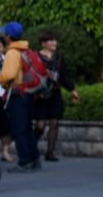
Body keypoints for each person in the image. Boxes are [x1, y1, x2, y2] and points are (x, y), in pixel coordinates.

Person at [0, 22, 46, 172]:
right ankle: (34, 158)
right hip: (29, 93)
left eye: (5, 34)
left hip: (18, 94)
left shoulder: (12, 52)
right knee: (27, 127)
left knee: (19, 129)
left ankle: (24, 161)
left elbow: (9, 75)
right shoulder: (26, 49)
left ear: (8, 36)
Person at [34, 31, 80, 162]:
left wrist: (72, 89)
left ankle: (50, 152)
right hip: (41, 94)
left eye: (55, 40)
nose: (54, 43)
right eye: (51, 41)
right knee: (40, 125)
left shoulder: (58, 57)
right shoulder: (37, 57)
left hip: (55, 92)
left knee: (54, 122)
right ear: (43, 43)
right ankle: (31, 146)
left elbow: (64, 75)